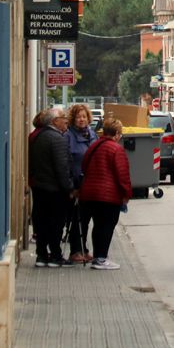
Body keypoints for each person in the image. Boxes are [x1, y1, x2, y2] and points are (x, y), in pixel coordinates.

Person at [80, 118, 132, 270]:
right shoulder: (116, 149)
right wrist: (126, 194)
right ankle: (101, 258)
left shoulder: (94, 146)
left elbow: (84, 165)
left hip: (89, 193)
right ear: (116, 134)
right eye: (120, 133)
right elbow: (122, 174)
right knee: (107, 226)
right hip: (108, 196)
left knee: (97, 226)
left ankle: (98, 257)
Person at [28, 106, 74, 267]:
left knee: (41, 222)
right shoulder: (57, 139)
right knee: (56, 223)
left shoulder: (37, 136)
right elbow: (62, 167)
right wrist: (69, 188)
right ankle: (55, 255)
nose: (66, 121)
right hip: (55, 190)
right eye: (63, 118)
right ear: (55, 121)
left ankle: (41, 255)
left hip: (39, 187)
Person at [65, 103, 99, 264]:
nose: (81, 120)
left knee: (86, 219)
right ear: (73, 119)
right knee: (76, 219)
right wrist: (72, 186)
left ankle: (84, 249)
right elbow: (67, 162)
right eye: (78, 117)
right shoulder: (68, 136)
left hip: (91, 183)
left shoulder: (92, 134)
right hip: (77, 184)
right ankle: (75, 250)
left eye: (84, 117)